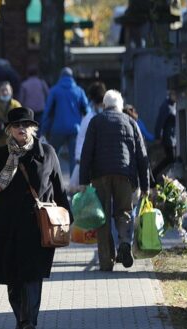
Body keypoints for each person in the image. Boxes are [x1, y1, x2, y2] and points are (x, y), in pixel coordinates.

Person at [0, 107, 71, 329]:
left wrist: (68, 217)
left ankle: (29, 320)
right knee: (12, 276)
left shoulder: (47, 153)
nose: (21, 128)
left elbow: (59, 189)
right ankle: (20, 318)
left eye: (25, 125)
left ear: (33, 128)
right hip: (7, 225)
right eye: (16, 125)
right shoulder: (0, 155)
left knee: (33, 274)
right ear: (9, 129)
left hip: (37, 225)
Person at [79, 90, 150, 271]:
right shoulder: (131, 122)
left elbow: (86, 152)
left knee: (102, 217)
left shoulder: (96, 122)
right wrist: (145, 185)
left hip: (100, 175)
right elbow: (142, 155)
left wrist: (83, 181)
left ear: (104, 105)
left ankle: (106, 261)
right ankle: (125, 242)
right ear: (120, 106)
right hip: (125, 175)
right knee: (124, 212)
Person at [41, 67, 90, 174]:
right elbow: (87, 110)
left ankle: (52, 181)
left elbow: (48, 111)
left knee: (52, 155)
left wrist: (43, 130)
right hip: (75, 129)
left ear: (61, 76)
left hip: (58, 129)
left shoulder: (54, 90)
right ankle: (73, 187)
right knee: (74, 157)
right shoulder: (79, 91)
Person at [152, 91, 177, 181]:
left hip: (173, 138)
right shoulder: (166, 106)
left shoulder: (174, 105)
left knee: (172, 159)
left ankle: (159, 175)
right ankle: (154, 174)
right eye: (175, 94)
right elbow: (160, 122)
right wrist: (158, 136)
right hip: (168, 138)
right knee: (171, 158)